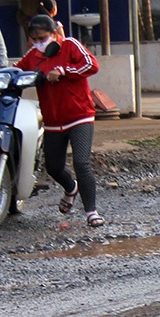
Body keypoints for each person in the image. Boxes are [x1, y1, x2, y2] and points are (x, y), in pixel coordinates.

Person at [15, 14, 103, 227]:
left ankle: (91, 211)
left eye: (42, 38)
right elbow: (18, 69)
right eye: (34, 39)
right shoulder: (33, 55)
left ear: (54, 34)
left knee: (81, 163)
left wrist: (64, 71)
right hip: (53, 121)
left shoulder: (70, 45)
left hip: (79, 116)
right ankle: (71, 187)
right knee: (53, 167)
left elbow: (91, 65)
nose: (38, 43)